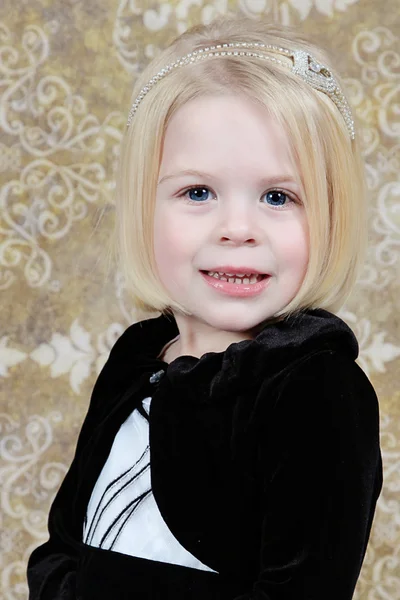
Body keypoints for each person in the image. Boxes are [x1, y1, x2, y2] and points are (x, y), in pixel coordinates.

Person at [27, 13, 383, 600]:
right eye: (198, 192)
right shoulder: (138, 357)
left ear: (330, 215)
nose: (237, 228)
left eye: (278, 196)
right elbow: (63, 543)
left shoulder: (315, 391)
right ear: (146, 208)